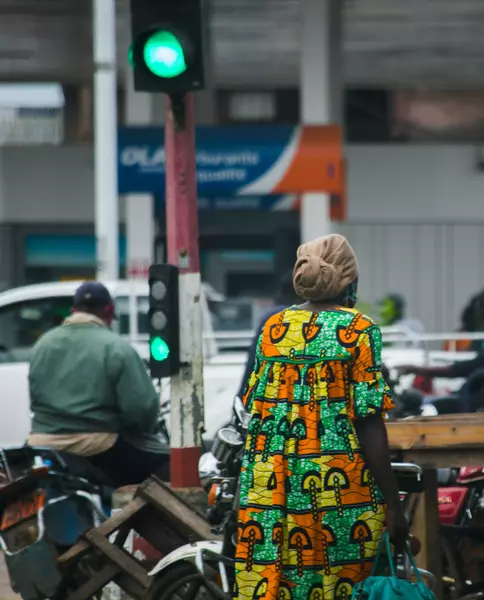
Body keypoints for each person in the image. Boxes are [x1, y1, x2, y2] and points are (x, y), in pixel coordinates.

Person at [235, 234, 408, 600]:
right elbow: (368, 421)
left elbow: (257, 408)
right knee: (342, 585)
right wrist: (394, 503)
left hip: (272, 487)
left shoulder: (273, 330)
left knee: (279, 583)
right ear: (350, 281)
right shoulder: (358, 330)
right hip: (340, 489)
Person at [28, 282, 169, 487]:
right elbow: (141, 409)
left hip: (42, 443)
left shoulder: (42, 344)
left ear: (73, 310)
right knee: (173, 466)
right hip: (97, 445)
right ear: (109, 311)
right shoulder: (117, 347)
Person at [237, 270, 301, 398]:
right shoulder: (317, 318)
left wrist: (241, 396)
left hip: (273, 395)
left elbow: (253, 361)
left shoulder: (272, 317)